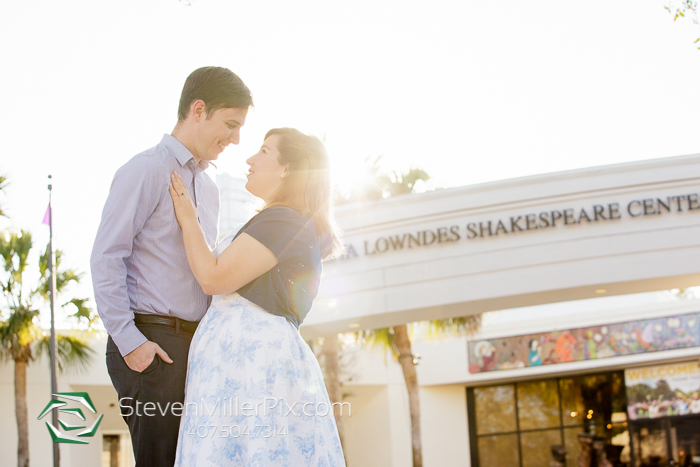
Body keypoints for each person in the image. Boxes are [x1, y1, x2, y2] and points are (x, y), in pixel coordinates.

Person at [90, 66, 253, 466]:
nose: (235, 139)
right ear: (198, 110)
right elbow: (107, 257)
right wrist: (131, 343)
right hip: (153, 345)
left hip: (195, 348)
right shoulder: (147, 169)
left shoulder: (210, 190)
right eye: (230, 125)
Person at [169, 128, 346, 466]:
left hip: (253, 362)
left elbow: (213, 278)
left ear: (288, 169)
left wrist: (188, 219)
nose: (250, 159)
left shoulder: (284, 220)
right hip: (244, 360)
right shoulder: (282, 220)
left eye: (263, 151)